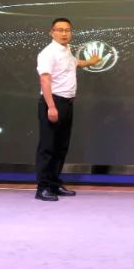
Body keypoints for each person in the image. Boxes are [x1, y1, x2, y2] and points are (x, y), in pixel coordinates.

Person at [34, 17, 99, 202]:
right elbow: (44, 79)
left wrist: (90, 62)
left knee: (61, 147)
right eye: (60, 30)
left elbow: (73, 63)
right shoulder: (48, 53)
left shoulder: (66, 50)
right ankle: (43, 188)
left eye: (67, 30)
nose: (64, 33)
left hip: (67, 103)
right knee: (48, 147)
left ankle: (54, 183)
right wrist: (51, 106)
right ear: (52, 32)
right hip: (53, 103)